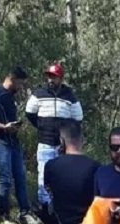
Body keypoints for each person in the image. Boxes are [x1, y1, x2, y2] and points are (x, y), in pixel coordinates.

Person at [25, 62, 83, 213]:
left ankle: (61, 207)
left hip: (63, 145)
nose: (51, 80)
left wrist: (68, 136)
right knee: (43, 175)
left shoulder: (69, 95)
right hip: (45, 142)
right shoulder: (39, 93)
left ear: (61, 78)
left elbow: (78, 118)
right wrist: (42, 126)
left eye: (54, 77)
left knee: (63, 176)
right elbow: (30, 112)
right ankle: (45, 209)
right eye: (49, 76)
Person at [0, 66, 35, 224]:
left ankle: (25, 212)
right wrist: (3, 127)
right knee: (5, 178)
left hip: (13, 142)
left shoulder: (11, 96)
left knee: (20, 176)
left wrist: (15, 127)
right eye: (20, 84)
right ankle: (4, 215)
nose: (21, 88)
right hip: (0, 143)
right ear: (12, 79)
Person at [34, 121, 99, 224]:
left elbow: (49, 191)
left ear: (61, 141)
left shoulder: (51, 166)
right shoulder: (95, 166)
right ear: (82, 139)